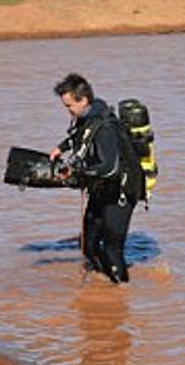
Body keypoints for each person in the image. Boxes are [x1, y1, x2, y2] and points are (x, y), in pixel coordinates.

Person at [50, 73, 139, 284]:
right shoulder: (86, 117)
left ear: (83, 100)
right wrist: (60, 148)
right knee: (89, 246)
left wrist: (78, 173)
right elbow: (79, 136)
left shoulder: (105, 128)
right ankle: (105, 279)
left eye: (69, 105)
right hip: (101, 189)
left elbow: (109, 167)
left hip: (121, 193)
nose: (68, 110)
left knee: (112, 250)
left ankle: (120, 296)